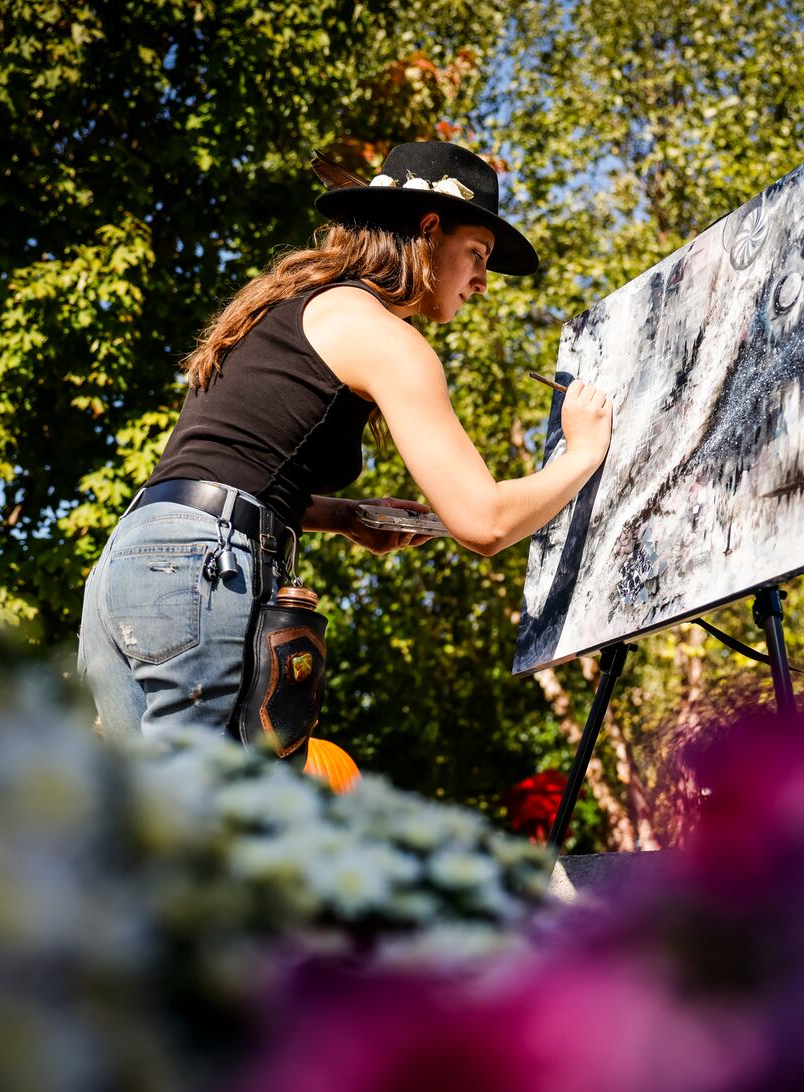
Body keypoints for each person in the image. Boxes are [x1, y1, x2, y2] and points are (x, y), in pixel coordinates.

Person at [78, 141, 612, 750]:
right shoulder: (385, 336)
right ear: (430, 228)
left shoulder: (293, 308)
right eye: (478, 254)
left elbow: (235, 471)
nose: (483, 283)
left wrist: (350, 517)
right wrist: (582, 453)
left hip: (130, 568)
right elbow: (484, 522)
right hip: (204, 574)